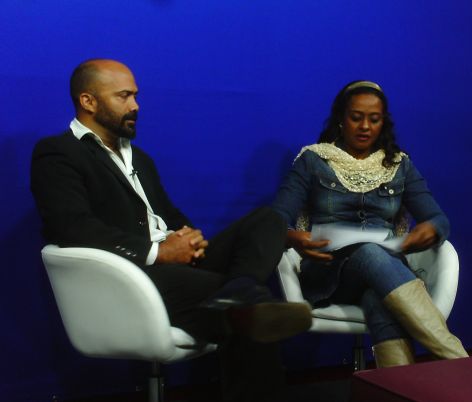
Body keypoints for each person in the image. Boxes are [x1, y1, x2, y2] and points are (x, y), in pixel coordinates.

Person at [30, 59, 312, 402]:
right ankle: (242, 299)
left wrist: (190, 238)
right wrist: (159, 253)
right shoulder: (58, 153)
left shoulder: (139, 159)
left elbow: (169, 216)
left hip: (178, 266)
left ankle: (241, 288)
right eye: (124, 96)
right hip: (134, 275)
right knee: (249, 313)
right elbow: (72, 227)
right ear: (88, 101)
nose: (136, 105)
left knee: (268, 220)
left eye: (136, 96)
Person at [272, 80, 468, 367]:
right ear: (341, 119)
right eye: (356, 117)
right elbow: (275, 218)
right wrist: (292, 237)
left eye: (374, 119)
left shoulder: (399, 165)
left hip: (385, 272)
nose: (365, 126)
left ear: (383, 123)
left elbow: (439, 220)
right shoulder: (313, 160)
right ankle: (459, 362)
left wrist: (430, 230)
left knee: (379, 301)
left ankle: (398, 386)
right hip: (329, 274)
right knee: (368, 250)